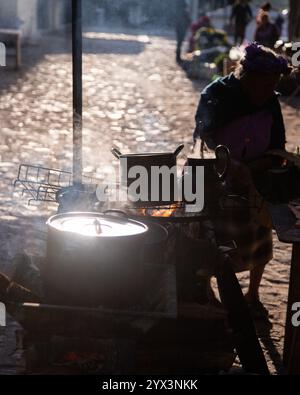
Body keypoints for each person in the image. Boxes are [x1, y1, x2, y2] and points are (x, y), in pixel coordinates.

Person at [193, 43, 291, 316]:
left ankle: (252, 294)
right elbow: (204, 140)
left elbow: (277, 143)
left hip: (255, 178)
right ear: (246, 76)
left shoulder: (270, 100)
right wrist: (229, 164)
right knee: (212, 235)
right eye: (263, 84)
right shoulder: (217, 95)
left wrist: (256, 167)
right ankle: (209, 292)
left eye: (273, 85)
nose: (268, 91)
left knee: (260, 234)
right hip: (215, 175)